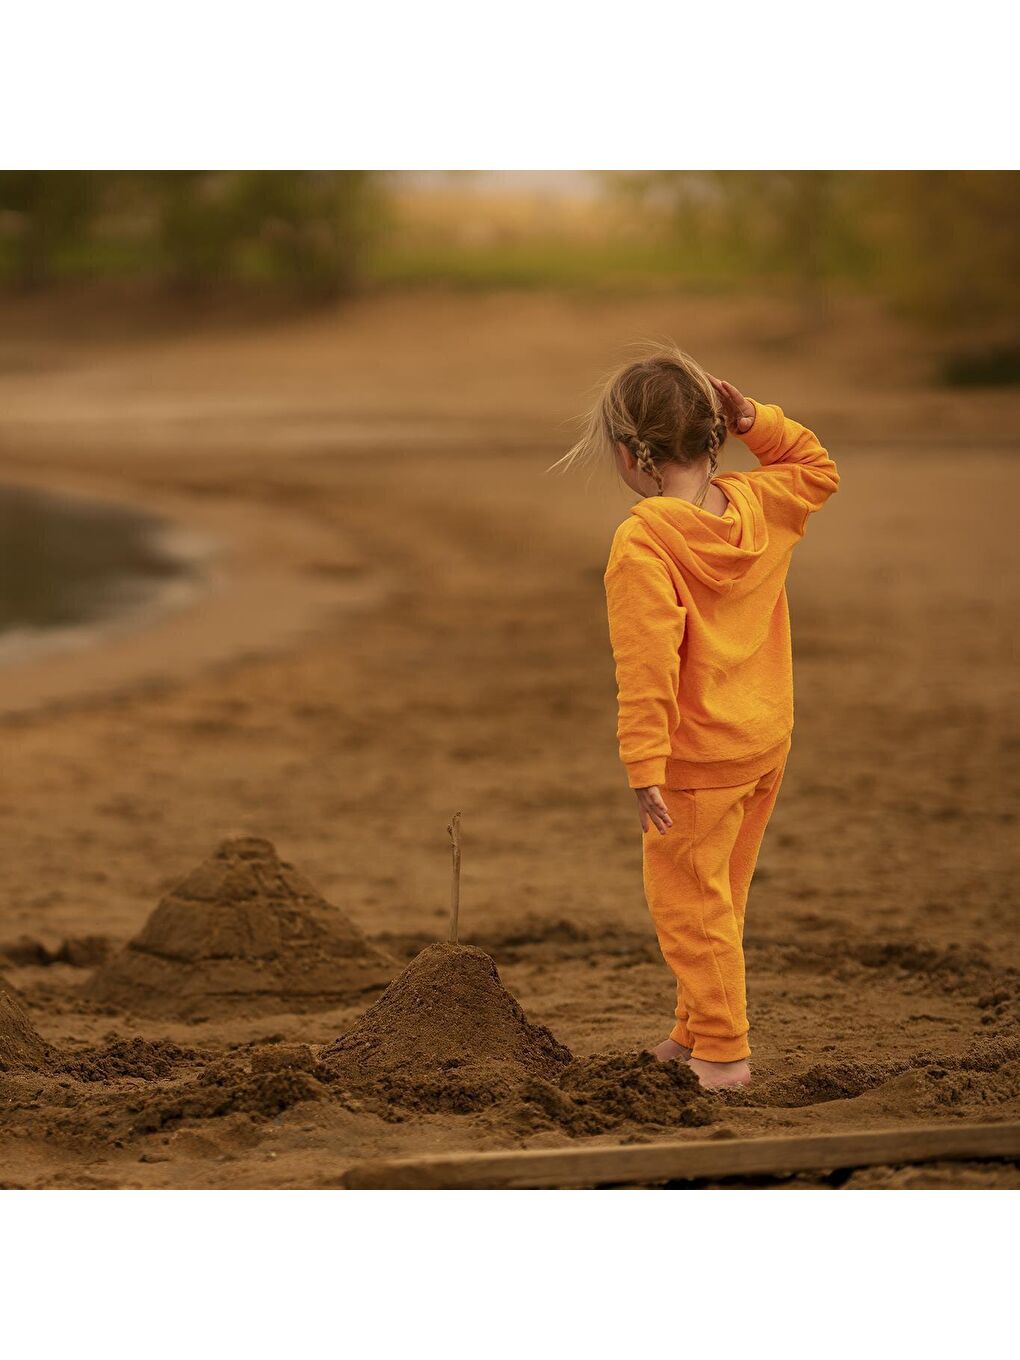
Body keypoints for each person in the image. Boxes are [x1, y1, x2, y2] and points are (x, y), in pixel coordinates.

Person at [555, 347, 839, 1089]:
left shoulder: (644, 540)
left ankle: (722, 1054)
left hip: (697, 763)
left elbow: (645, 667)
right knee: (722, 896)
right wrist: (760, 421)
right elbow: (817, 469)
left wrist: (644, 767)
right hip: (763, 743)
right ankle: (689, 1033)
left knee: (690, 909)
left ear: (629, 454)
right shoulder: (758, 503)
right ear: (716, 436)